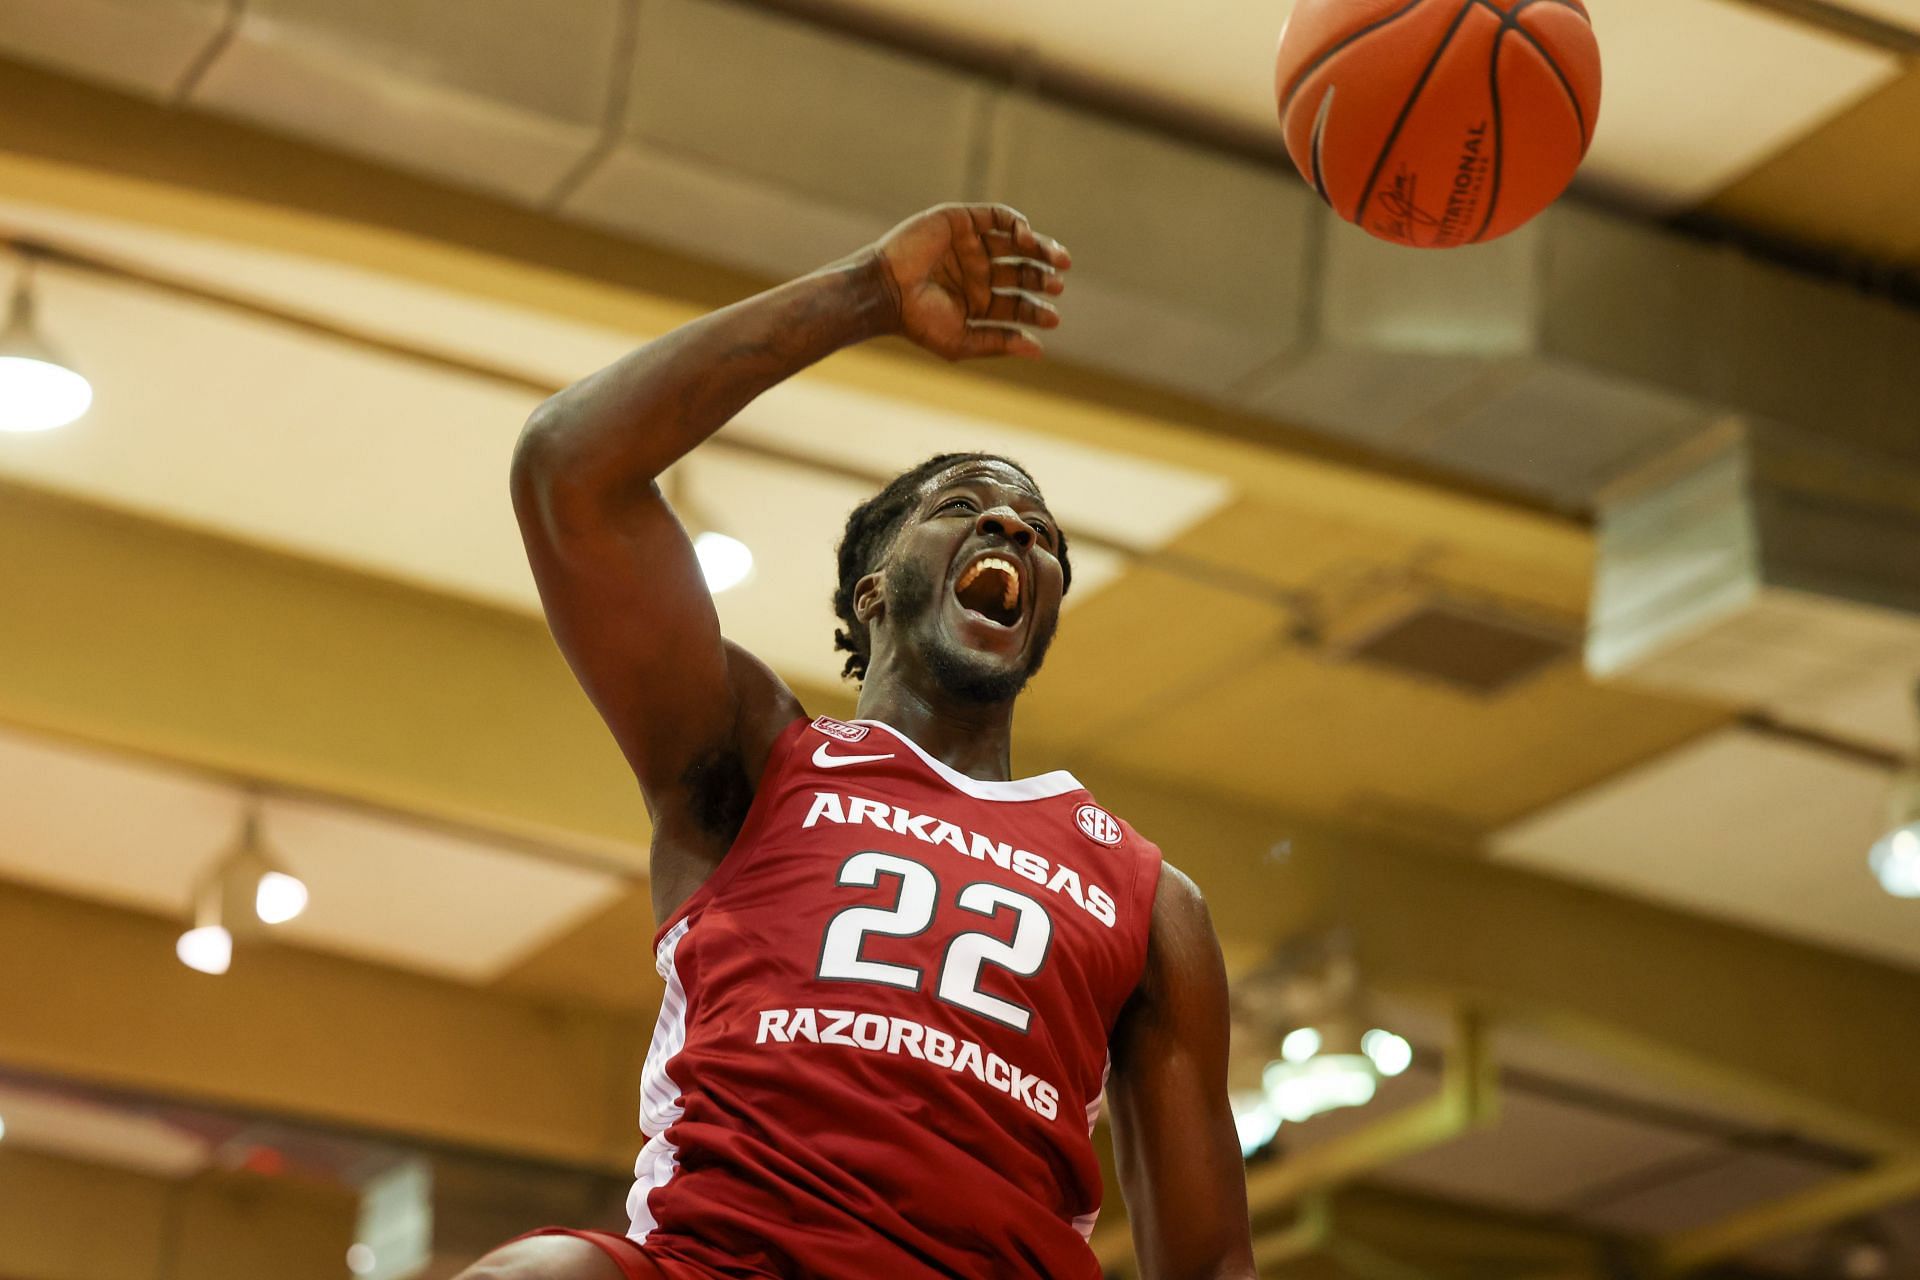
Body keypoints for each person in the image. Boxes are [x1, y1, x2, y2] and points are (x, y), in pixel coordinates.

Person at [462, 205, 1255, 1280]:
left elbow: (1207, 1266)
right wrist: (865, 295)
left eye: (1041, 531)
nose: (1013, 528)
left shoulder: (1151, 899)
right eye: (963, 505)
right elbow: (569, 469)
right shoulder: (754, 755)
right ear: (874, 588)